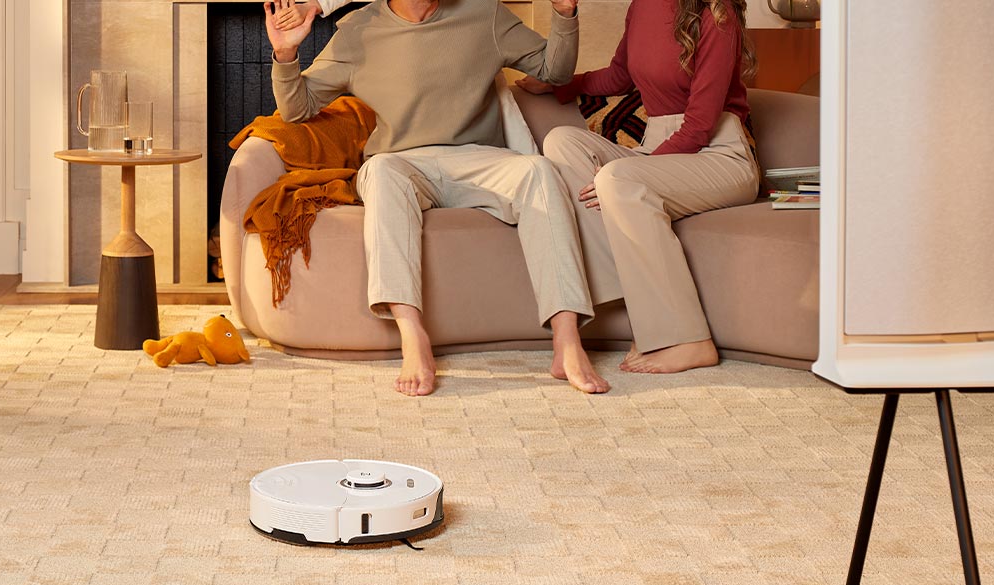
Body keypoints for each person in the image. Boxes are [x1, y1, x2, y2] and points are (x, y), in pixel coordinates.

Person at [265, 0, 615, 396]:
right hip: (402, 162)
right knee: (379, 172)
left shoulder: (486, 15)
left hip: (477, 158)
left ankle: (566, 339)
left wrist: (565, 14)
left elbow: (554, 70)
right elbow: (298, 110)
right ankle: (413, 335)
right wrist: (286, 53)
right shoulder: (359, 30)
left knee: (540, 171)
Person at [518, 0, 760, 374]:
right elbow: (618, 77)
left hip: (719, 155)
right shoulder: (642, 6)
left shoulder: (717, 12)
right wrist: (556, 86)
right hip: (657, 144)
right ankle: (627, 302)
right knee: (562, 142)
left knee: (617, 179)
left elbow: (699, 126)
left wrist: (635, 171)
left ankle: (689, 340)